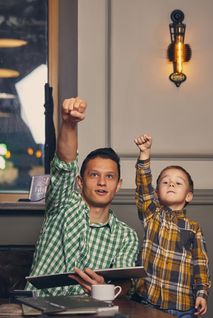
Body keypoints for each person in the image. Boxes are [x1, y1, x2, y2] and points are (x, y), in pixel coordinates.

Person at [26, 97, 139, 297]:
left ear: (118, 185)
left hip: (91, 311)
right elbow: (64, 166)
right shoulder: (63, 205)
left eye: (110, 177)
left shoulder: (126, 236)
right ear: (80, 182)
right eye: (94, 175)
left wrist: (105, 287)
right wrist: (69, 124)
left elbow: (125, 285)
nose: (102, 182)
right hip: (41, 309)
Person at [133, 134, 211, 318]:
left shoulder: (193, 228)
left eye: (178, 183)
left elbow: (200, 264)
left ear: (188, 196)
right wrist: (144, 154)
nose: (171, 185)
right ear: (158, 192)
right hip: (147, 300)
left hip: (181, 306)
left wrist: (201, 293)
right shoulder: (152, 215)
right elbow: (144, 189)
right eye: (165, 182)